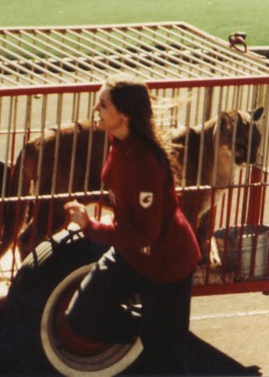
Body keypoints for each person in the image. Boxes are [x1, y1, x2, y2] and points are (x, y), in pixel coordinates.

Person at [64, 74, 201, 375]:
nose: (95, 109)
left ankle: (163, 336)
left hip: (166, 264)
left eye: (103, 104)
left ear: (124, 114)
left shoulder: (145, 161)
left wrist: (91, 227)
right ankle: (158, 331)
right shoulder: (119, 143)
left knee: (165, 364)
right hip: (130, 254)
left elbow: (145, 233)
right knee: (82, 317)